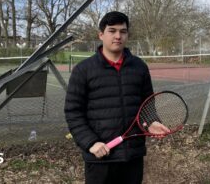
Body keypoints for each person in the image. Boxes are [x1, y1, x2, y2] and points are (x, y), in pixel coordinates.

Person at [64, 11, 169, 184]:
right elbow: (73, 111)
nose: (118, 36)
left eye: (123, 31)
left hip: (132, 156)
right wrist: (91, 143)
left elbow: (147, 105)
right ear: (101, 34)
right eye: (112, 31)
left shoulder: (139, 67)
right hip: (100, 158)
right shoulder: (83, 70)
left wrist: (151, 122)